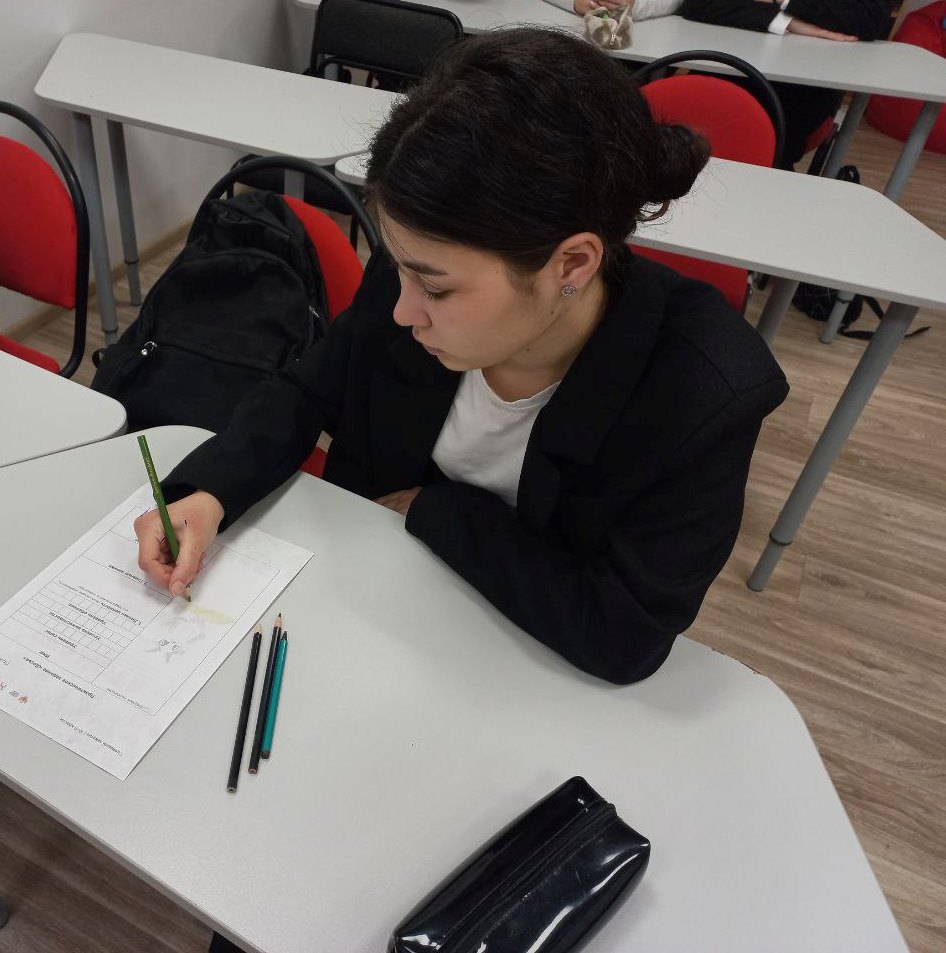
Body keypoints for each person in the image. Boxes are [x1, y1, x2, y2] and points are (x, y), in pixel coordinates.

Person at [134, 27, 788, 691]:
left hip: (514, 673)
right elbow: (307, 391)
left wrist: (438, 511)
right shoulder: (415, 275)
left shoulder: (702, 394)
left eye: (437, 289)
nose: (402, 310)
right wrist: (209, 492)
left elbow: (623, 636)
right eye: (400, 267)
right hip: (362, 618)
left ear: (571, 264)